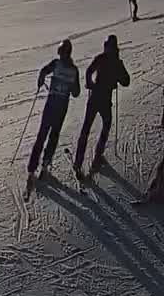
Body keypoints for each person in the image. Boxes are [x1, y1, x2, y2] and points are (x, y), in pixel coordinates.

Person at [28, 39, 83, 192]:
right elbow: (76, 93)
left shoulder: (56, 64)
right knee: (54, 135)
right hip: (62, 106)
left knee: (42, 135)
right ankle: (45, 164)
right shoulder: (74, 70)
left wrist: (40, 81)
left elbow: (43, 71)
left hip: (51, 104)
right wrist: (69, 85)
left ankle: (32, 167)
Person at [74, 35, 130, 177]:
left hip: (94, 99)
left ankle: (78, 163)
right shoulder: (117, 63)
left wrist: (90, 83)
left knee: (86, 129)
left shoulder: (101, 58)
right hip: (105, 100)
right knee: (106, 125)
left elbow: (89, 71)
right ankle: (98, 156)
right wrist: (118, 77)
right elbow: (126, 81)